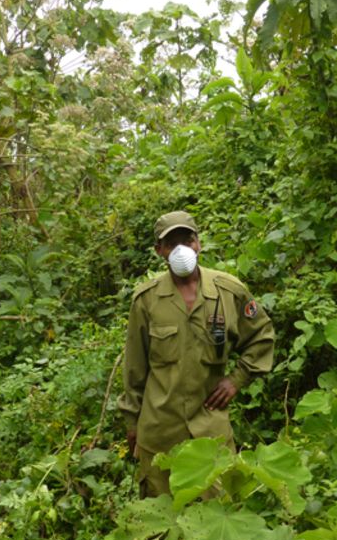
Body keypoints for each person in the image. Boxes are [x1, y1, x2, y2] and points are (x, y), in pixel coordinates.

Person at [117, 211, 275, 497]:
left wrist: (236, 380)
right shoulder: (146, 300)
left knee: (217, 516)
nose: (181, 249)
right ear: (159, 251)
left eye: (187, 240)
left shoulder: (229, 292)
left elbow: (261, 337)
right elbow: (134, 369)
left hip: (210, 432)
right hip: (160, 433)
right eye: (171, 243)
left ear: (198, 244)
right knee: (162, 524)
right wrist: (132, 424)